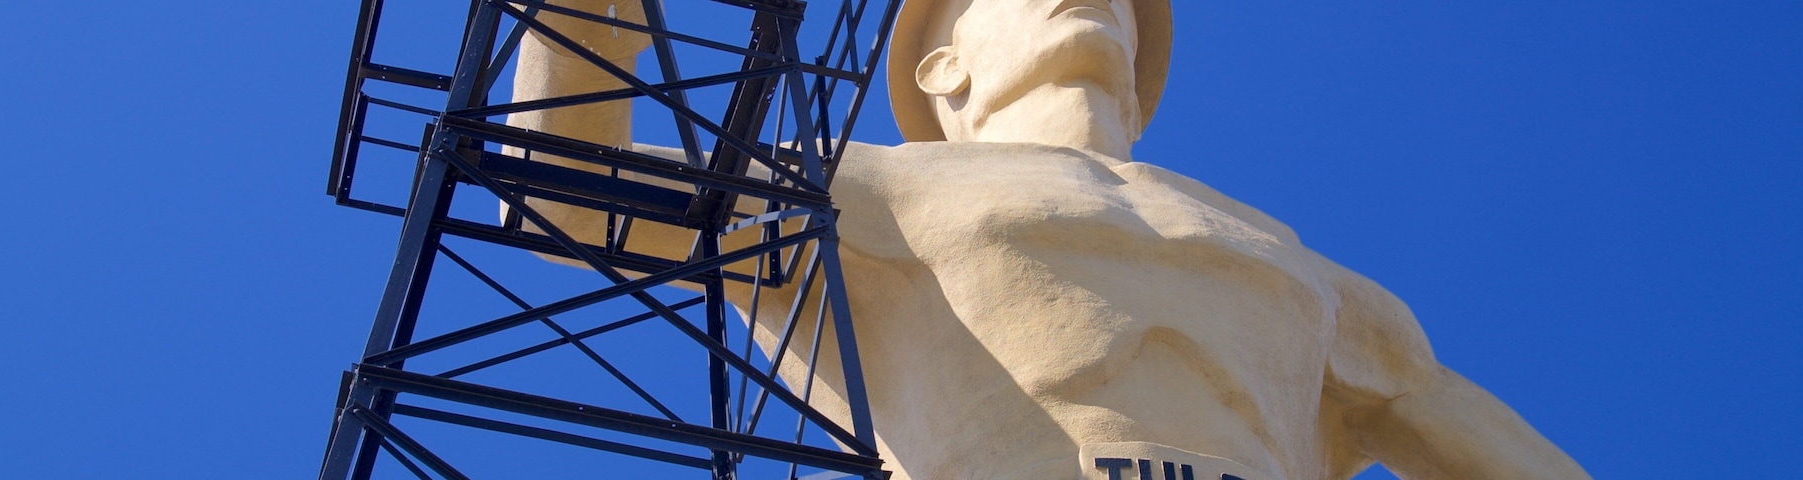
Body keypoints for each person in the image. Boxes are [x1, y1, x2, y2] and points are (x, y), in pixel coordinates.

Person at [504, 0, 1593, 478]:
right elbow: (566, 198)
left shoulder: (1310, 271)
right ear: (946, 67)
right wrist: (587, 13)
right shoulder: (867, 186)